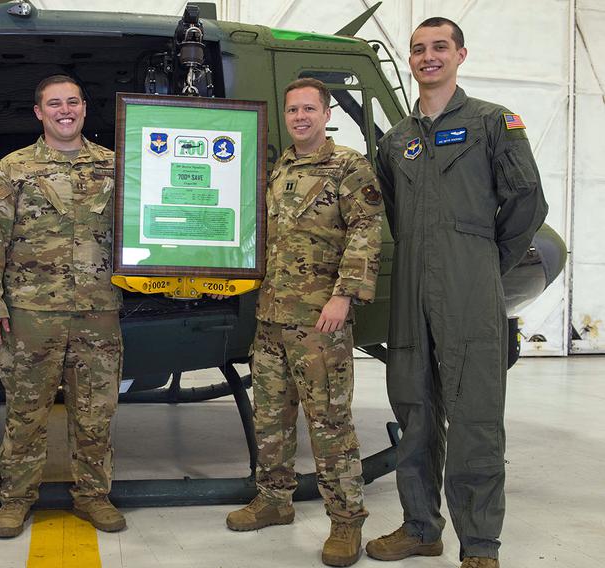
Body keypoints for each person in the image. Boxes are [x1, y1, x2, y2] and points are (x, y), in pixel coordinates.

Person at [365, 18, 547, 568]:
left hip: (471, 287)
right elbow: (393, 212)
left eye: (439, 47)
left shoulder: (494, 123)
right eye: (418, 50)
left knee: (475, 417)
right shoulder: (398, 139)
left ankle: (480, 544)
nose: (428, 57)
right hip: (412, 292)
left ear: (460, 54)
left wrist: (484, 263)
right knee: (415, 411)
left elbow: (527, 204)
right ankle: (420, 526)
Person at [225, 78, 384, 567]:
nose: (300, 117)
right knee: (271, 419)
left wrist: (344, 297)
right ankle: (274, 500)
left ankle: (346, 522)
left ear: (326, 112)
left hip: (320, 323)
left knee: (329, 424)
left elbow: (367, 230)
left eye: (309, 109)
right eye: (293, 110)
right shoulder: (279, 170)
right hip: (272, 318)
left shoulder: (349, 168)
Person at [0, 74, 125, 538]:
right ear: (39, 112)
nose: (65, 110)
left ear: (84, 108)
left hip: (98, 311)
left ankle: (93, 496)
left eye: (72, 102)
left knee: (96, 412)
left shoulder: (117, 167)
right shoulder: (13, 170)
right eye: (54, 104)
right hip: (31, 315)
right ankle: (16, 501)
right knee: (26, 413)